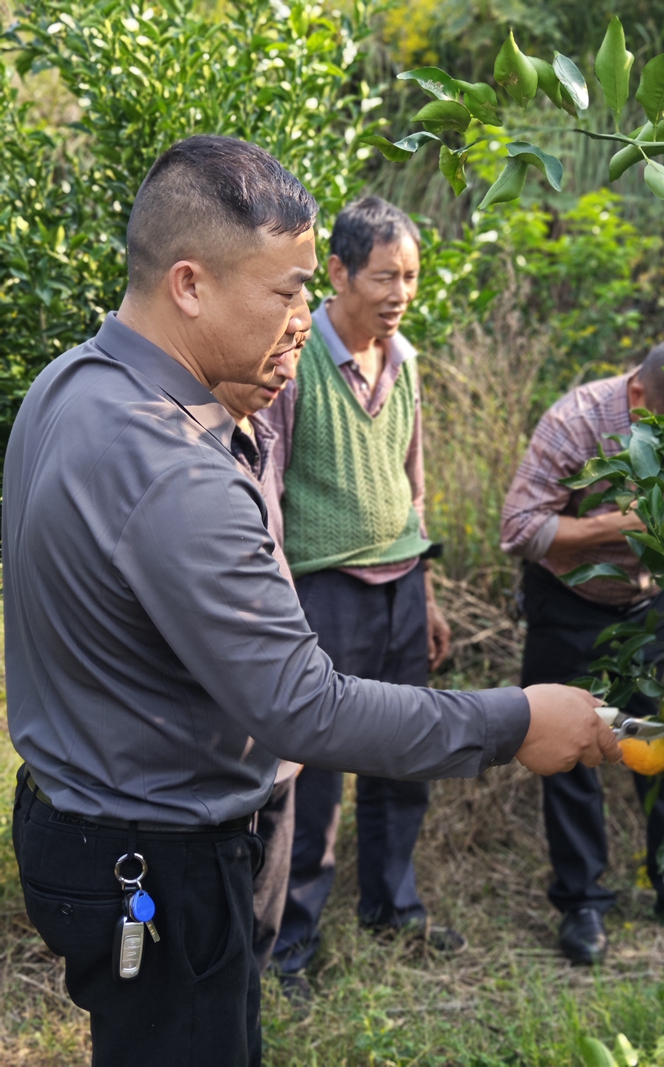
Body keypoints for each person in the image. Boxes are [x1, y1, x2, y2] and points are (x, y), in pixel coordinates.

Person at [5, 134, 620, 1067]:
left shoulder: (70, 385)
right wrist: (516, 719)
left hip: (78, 818)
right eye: (288, 291)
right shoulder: (173, 466)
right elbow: (305, 705)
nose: (303, 317)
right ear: (190, 284)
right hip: (160, 856)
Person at [266, 197, 460, 994]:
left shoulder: (404, 359)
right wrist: (275, 607)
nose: (401, 292)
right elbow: (267, 491)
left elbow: (412, 484)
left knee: (405, 755)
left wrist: (431, 591)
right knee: (312, 775)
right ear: (338, 272)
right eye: (386, 275)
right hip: (326, 594)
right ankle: (291, 942)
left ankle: (392, 904)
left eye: (411, 276)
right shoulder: (295, 355)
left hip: (402, 588)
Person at [501, 338, 664, 966]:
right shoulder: (577, 422)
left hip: (654, 607)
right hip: (570, 610)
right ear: (637, 397)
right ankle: (583, 906)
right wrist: (610, 527)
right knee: (572, 756)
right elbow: (517, 529)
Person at [213, 352, 304, 975]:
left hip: (274, 721)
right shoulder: (188, 455)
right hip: (223, 735)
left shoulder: (257, 436)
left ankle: (258, 972)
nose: (285, 374)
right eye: (272, 356)